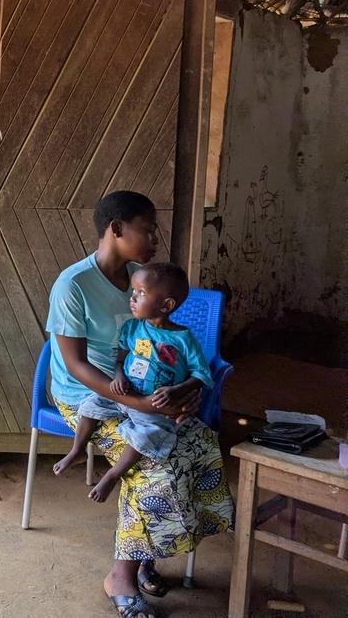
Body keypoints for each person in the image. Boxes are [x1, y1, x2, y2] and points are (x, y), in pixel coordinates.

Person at [46, 190, 233, 618]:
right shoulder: (73, 285)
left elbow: (168, 346)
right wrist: (145, 405)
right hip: (88, 396)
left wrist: (184, 392)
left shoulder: (141, 279)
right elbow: (75, 366)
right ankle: (121, 577)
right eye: (147, 230)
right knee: (153, 461)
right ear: (116, 230)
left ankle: (148, 548)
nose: (154, 239)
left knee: (199, 442)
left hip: (144, 392)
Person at [53, 262, 213, 504]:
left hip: (155, 404)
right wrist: (118, 376)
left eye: (141, 294)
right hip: (125, 393)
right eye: (133, 292)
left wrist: (177, 390)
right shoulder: (132, 327)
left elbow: (201, 374)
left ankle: (113, 474)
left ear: (166, 305)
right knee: (91, 405)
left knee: (148, 436)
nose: (133, 298)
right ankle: (77, 450)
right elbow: (121, 355)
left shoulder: (183, 339)